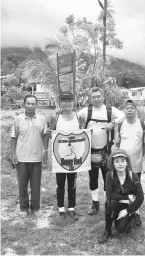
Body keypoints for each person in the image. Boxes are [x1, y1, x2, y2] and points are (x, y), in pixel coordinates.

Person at [77, 87, 125, 215]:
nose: (96, 99)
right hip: (90, 151)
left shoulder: (110, 110)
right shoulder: (86, 111)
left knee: (107, 178)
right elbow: (73, 116)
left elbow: (123, 115)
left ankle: (107, 201)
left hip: (106, 151)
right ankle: (95, 203)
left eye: (99, 96)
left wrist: (113, 122)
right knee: (92, 178)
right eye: (93, 97)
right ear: (90, 98)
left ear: (103, 97)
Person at [11, 95, 48, 218]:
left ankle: (35, 207)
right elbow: (14, 137)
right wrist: (13, 154)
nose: (31, 106)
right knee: (22, 184)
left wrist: (45, 150)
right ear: (24, 104)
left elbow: (45, 135)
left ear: (36, 105)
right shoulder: (18, 119)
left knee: (36, 184)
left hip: (36, 157)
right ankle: (23, 208)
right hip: (22, 157)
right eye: (28, 103)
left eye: (33, 104)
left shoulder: (42, 119)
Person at [48, 91, 82, 221]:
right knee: (60, 183)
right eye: (64, 100)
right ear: (60, 102)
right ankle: (61, 207)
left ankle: (72, 207)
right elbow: (51, 134)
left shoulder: (79, 118)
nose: (67, 103)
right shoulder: (55, 118)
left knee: (72, 183)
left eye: (69, 100)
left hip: (74, 156)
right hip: (60, 156)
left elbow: (82, 136)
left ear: (73, 102)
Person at [98, 149, 144, 244]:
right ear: (113, 163)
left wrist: (127, 210)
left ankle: (128, 219)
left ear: (127, 163)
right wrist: (129, 198)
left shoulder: (133, 176)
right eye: (117, 161)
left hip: (129, 207)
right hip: (116, 204)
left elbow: (140, 198)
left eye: (123, 161)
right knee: (111, 203)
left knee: (121, 229)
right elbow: (109, 195)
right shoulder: (109, 175)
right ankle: (107, 230)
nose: (120, 164)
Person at [114, 99, 145, 226]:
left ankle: (136, 212)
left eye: (132, 107)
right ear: (124, 110)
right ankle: (125, 210)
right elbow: (117, 144)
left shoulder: (143, 125)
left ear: (136, 110)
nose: (129, 109)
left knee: (135, 189)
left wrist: (144, 162)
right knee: (123, 187)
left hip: (136, 164)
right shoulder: (120, 125)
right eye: (127, 107)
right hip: (122, 165)